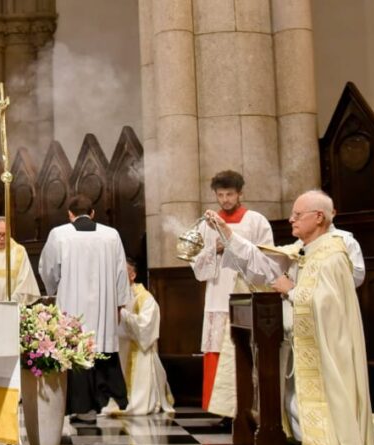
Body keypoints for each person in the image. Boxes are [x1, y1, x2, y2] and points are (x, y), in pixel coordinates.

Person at [206, 190, 374, 445]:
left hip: (327, 344)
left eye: (297, 214)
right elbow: (264, 260)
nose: (291, 219)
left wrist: (290, 290)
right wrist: (228, 234)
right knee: (298, 408)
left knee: (334, 406)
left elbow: (327, 299)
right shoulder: (305, 248)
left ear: (318, 217)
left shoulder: (335, 251)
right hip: (303, 342)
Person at [191, 170, 273, 421]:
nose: (225, 200)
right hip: (217, 295)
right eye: (220, 195)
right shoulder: (207, 224)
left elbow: (267, 257)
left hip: (246, 293)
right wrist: (213, 250)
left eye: (229, 194)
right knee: (217, 351)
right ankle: (223, 409)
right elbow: (197, 266)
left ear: (240, 193)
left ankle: (250, 408)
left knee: (246, 351)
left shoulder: (256, 221)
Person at [39, 198, 130, 415]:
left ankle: (77, 403)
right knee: (102, 346)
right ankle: (107, 399)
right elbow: (121, 272)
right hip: (103, 304)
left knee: (74, 347)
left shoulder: (59, 234)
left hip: (72, 302)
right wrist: (119, 303)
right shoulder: (111, 235)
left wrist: (53, 289)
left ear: (70, 214)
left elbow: (48, 269)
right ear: (93, 213)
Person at [102, 258, 174, 417]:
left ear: (132, 275)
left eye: (122, 273)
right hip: (118, 349)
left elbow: (146, 327)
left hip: (138, 350)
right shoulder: (113, 296)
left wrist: (122, 314)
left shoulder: (145, 298)